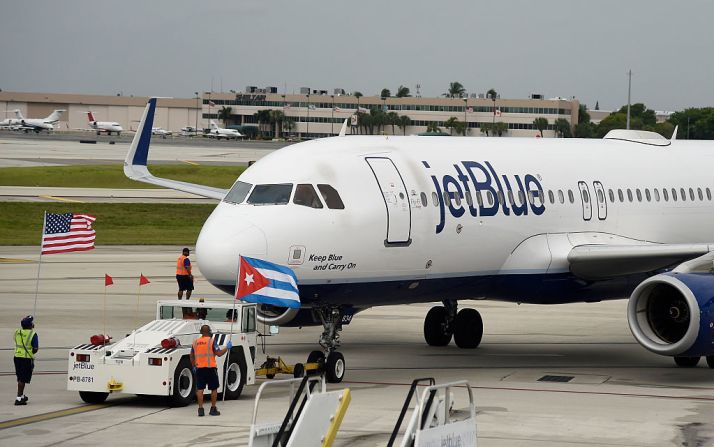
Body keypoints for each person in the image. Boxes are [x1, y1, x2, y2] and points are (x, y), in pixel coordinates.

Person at [190, 324, 232, 417]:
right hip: (210, 369)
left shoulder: (195, 342)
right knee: (213, 388)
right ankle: (213, 409)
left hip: (199, 368)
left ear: (201, 332)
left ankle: (200, 409)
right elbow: (219, 353)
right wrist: (227, 348)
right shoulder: (211, 341)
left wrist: (193, 366)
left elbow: (191, 355)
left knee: (200, 389)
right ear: (209, 332)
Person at [13, 315, 38, 406]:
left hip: (17, 357)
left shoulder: (17, 332)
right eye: (31, 323)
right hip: (26, 358)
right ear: (30, 325)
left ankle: (22, 396)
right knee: (23, 379)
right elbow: (35, 349)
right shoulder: (33, 334)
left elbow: (16, 341)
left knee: (20, 377)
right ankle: (18, 398)